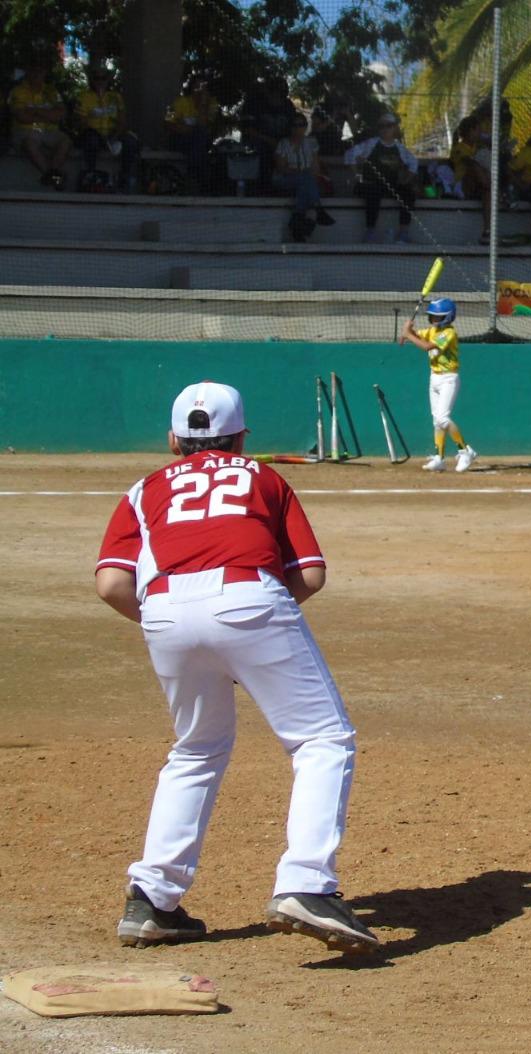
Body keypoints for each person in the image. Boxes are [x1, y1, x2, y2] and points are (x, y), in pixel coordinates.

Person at [95, 381, 380, 956]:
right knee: (321, 739)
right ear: (243, 436)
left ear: (172, 439)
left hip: (164, 610)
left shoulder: (143, 489)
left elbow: (112, 584)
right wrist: (248, 633)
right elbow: (311, 574)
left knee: (197, 747)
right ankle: (306, 883)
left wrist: (181, 627)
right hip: (251, 597)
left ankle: (152, 900)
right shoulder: (265, 478)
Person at [400, 298, 478, 472]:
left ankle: (466, 451)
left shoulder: (449, 333)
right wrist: (409, 331)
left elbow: (426, 346)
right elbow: (420, 336)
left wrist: (409, 335)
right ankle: (439, 458)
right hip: (434, 378)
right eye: (432, 316)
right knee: (437, 421)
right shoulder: (433, 330)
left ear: (447, 317)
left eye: (438, 316)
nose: (434, 319)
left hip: (448, 378)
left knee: (443, 417)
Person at [345, 113, 419, 243]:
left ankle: (403, 232)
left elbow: (413, 163)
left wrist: (406, 180)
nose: (385, 129)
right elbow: (349, 155)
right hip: (370, 184)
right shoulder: (370, 144)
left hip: (390, 185)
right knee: (373, 193)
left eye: (389, 126)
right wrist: (358, 175)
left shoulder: (399, 148)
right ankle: (370, 232)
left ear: (395, 128)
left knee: (408, 193)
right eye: (381, 126)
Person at [75, 66, 141, 193]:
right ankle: (91, 174)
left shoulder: (116, 97)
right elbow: (80, 122)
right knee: (91, 140)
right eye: (97, 78)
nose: (100, 81)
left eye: (103, 78)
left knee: (131, 142)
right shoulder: (84, 97)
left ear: (108, 80)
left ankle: (125, 176)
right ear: (92, 80)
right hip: (93, 133)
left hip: (112, 134)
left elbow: (122, 120)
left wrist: (115, 136)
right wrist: (97, 132)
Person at [8, 62, 71, 190]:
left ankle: (51, 174)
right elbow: (22, 117)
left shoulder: (51, 91)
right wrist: (48, 115)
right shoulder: (18, 91)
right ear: (28, 73)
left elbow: (61, 114)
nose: (37, 75)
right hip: (26, 130)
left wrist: (36, 111)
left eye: (40, 71)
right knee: (30, 143)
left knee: (65, 141)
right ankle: (53, 176)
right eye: (34, 71)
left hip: (48, 130)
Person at [275, 112, 335, 241]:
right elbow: (281, 169)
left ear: (305, 126)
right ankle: (317, 210)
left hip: (305, 181)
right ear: (290, 127)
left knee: (305, 183)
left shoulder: (311, 143)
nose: (298, 128)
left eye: (301, 125)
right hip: (286, 180)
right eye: (295, 125)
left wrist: (302, 172)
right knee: (305, 179)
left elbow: (316, 168)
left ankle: (298, 223)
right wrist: (301, 172)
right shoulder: (283, 144)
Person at [165, 75, 221, 194]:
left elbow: (204, 125)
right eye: (197, 87)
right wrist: (187, 129)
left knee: (199, 137)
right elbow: (167, 122)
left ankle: (192, 178)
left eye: (203, 87)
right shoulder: (180, 101)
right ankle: (200, 181)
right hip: (179, 139)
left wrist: (202, 104)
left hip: (200, 142)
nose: (199, 90)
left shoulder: (213, 105)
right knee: (198, 139)